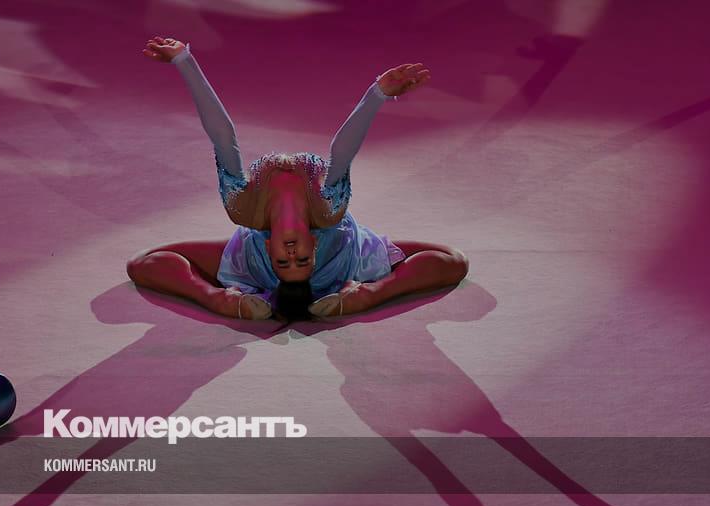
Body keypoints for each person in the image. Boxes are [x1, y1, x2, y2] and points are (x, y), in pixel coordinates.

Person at [128, 36, 468, 320]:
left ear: (268, 249)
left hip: (254, 265)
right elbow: (342, 151)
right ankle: (367, 295)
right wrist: (378, 93)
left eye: (283, 261)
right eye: (302, 260)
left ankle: (221, 301)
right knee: (453, 260)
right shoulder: (327, 210)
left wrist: (184, 60)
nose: (291, 254)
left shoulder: (244, 210)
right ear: (313, 246)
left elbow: (222, 138)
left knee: (143, 262)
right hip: (343, 254)